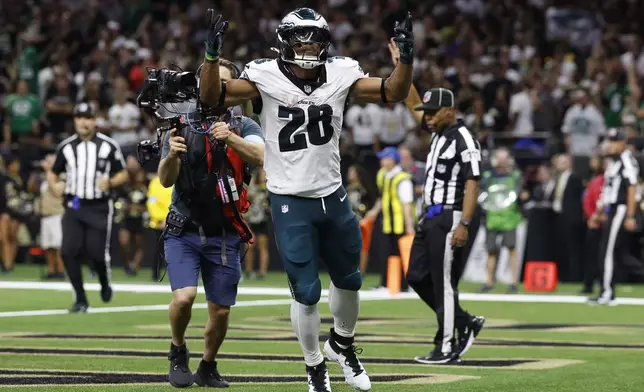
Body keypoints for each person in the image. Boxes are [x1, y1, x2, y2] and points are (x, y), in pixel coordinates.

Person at [199, 7, 414, 392]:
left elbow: (393, 91)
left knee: (350, 280)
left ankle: (343, 346)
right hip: (289, 198)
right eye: (299, 38)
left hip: (332, 193)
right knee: (307, 290)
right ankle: (315, 366)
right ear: (284, 42)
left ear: (325, 43)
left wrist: (407, 61)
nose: (307, 46)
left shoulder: (342, 72)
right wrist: (211, 59)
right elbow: (212, 97)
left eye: (314, 39)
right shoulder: (263, 75)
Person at [159, 59, 264, 388]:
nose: (216, 89)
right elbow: (165, 180)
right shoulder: (181, 121)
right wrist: (172, 155)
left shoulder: (245, 124)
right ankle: (177, 349)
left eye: (224, 83)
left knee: (220, 310)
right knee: (184, 297)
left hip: (225, 230)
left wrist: (230, 138)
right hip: (184, 227)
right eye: (211, 80)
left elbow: (261, 157)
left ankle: (208, 365)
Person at [404, 87, 485, 364]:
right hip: (430, 217)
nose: (427, 118)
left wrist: (464, 222)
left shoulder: (464, 139)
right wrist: (403, 64)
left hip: (450, 217)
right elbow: (412, 101)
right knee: (415, 276)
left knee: (445, 285)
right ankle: (464, 320)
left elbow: (473, 182)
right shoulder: (438, 133)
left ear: (449, 111)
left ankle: (447, 346)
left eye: (432, 112)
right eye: (425, 114)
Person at [47, 102, 130, 313]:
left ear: (95, 121)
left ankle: (104, 282)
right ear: (75, 120)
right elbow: (53, 171)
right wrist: (54, 185)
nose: (84, 122)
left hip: (98, 205)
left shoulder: (108, 145)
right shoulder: (66, 147)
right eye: (80, 117)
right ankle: (81, 299)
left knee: (96, 253)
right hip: (74, 204)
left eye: (88, 118)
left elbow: (123, 173)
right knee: (67, 252)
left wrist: (110, 182)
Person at [588, 128, 640, 305]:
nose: (611, 145)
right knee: (618, 253)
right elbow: (607, 189)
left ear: (623, 142)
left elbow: (632, 188)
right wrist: (599, 211)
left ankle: (607, 292)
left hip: (621, 208)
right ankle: (606, 289)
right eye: (610, 141)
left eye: (614, 141)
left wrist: (631, 216)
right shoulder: (613, 162)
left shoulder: (627, 161)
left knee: (607, 250)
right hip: (613, 208)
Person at [365, 147, 415, 291]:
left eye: (385, 158)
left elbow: (406, 204)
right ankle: (385, 283)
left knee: (400, 254)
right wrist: (374, 212)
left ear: (393, 160)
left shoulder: (402, 179)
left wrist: (409, 225)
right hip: (387, 222)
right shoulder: (382, 175)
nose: (382, 161)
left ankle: (403, 285)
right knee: (385, 253)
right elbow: (383, 197)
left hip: (400, 223)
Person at [479, 148, 522, 293]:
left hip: (509, 218)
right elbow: (481, 194)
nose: (501, 161)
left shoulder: (515, 176)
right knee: (490, 250)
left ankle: (513, 282)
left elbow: (519, 193)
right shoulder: (487, 176)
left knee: (511, 249)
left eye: (504, 158)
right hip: (492, 217)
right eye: (499, 158)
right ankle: (488, 281)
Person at [39, 154, 65, 279]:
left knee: (58, 245)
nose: (46, 163)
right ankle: (51, 270)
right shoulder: (44, 178)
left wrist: (50, 171)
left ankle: (60, 270)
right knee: (48, 245)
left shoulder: (61, 177)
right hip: (46, 215)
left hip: (57, 215)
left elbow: (57, 191)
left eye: (49, 162)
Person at [244, 167, 271, 280]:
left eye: (265, 174)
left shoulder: (269, 189)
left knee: (262, 247)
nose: (263, 176)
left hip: (263, 220)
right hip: (251, 220)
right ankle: (248, 271)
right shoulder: (252, 189)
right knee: (249, 246)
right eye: (261, 174)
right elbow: (246, 199)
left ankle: (262, 272)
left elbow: (270, 206)